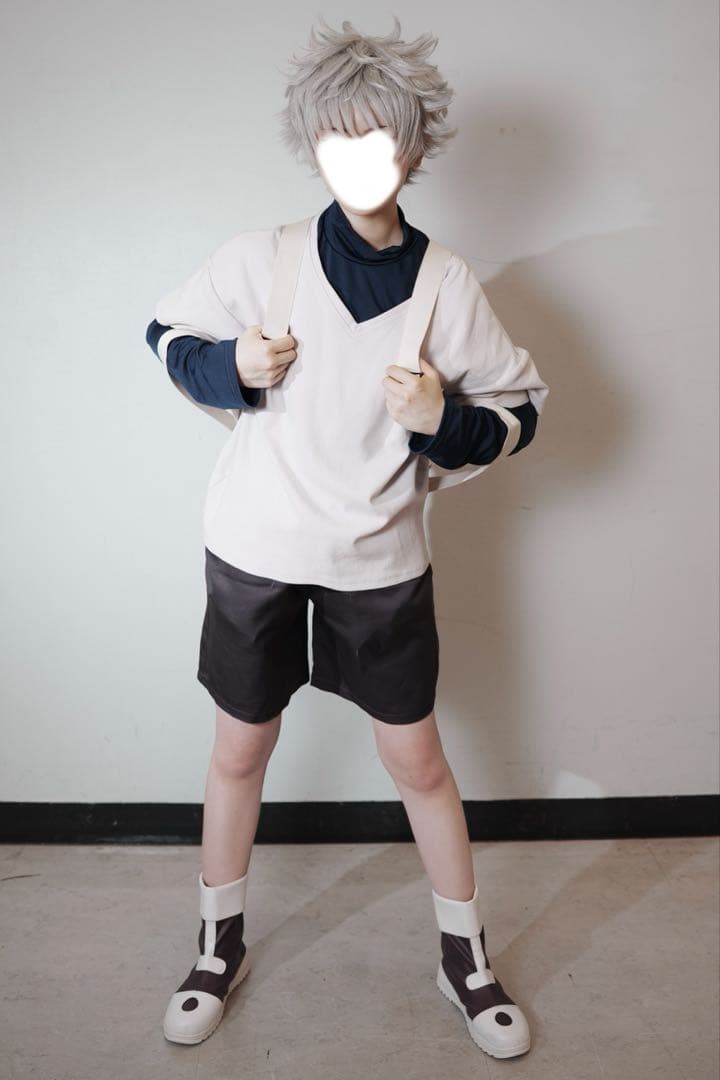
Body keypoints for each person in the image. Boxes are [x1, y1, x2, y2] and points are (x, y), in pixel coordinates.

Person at [145, 15, 549, 1060]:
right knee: (240, 747)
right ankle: (217, 946)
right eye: (337, 138)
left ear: (414, 145)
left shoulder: (446, 284)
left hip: (380, 562)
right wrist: (231, 366)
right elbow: (165, 333)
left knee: (418, 760)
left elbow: (519, 412)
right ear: (312, 144)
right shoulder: (262, 258)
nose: (359, 159)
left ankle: (464, 958)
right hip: (255, 552)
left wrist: (443, 421)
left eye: (379, 136)